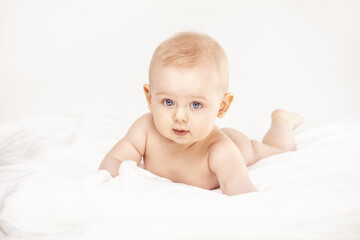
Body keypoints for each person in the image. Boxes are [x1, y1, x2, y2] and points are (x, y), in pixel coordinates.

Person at [99, 32, 303, 196]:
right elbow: (114, 161)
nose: (179, 116)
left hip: (238, 145)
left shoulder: (220, 150)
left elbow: (237, 184)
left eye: (195, 105)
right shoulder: (144, 130)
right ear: (150, 97)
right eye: (168, 102)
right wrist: (105, 185)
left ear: (222, 106)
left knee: (277, 151)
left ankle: (282, 122)